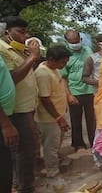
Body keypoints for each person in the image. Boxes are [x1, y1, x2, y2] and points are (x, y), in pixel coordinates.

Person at [0, 16, 40, 193]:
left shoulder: (17, 50)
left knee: (24, 151)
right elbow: (12, 78)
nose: (25, 36)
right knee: (23, 152)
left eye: (26, 32)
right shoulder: (3, 50)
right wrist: (32, 57)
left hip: (27, 108)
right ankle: (26, 188)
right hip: (16, 111)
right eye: (20, 32)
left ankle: (20, 184)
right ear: (6, 32)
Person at [34, 46, 71, 177]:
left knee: (55, 144)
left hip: (58, 114)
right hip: (49, 118)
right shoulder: (43, 74)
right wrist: (59, 119)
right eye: (62, 62)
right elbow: (45, 99)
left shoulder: (54, 69)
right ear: (51, 59)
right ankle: (52, 173)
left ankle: (54, 166)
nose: (64, 65)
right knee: (50, 147)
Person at [61, 29, 96, 151]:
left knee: (92, 119)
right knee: (75, 120)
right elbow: (63, 77)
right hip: (74, 90)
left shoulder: (88, 51)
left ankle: (94, 142)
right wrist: (68, 95)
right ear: (66, 42)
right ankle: (78, 144)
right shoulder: (64, 55)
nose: (75, 43)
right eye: (71, 42)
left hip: (89, 90)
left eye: (76, 41)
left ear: (80, 40)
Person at [0, 52, 19, 193]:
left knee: (6, 163)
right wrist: (5, 124)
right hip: (3, 120)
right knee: (4, 166)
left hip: (6, 115)